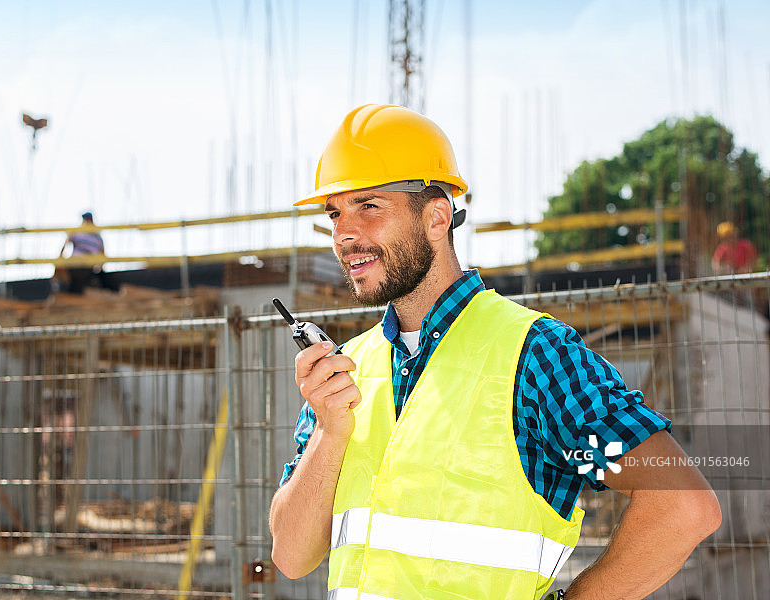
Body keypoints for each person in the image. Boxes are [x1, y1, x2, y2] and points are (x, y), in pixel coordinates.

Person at [269, 104, 721, 600]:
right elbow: (291, 556)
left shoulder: (534, 354)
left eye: (369, 206)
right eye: (335, 213)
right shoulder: (349, 368)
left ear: (437, 217)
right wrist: (330, 433)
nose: (344, 234)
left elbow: (681, 504)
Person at [59, 211, 118, 294]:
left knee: (76, 285)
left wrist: (60, 260)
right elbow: (103, 255)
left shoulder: (86, 234)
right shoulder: (96, 236)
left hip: (82, 265)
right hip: (82, 266)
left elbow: (65, 245)